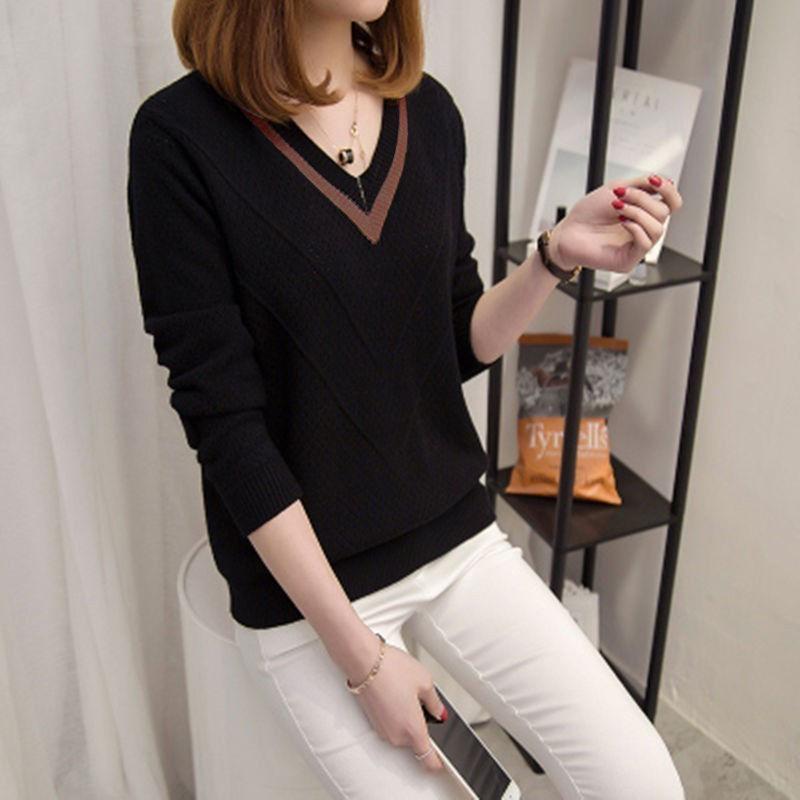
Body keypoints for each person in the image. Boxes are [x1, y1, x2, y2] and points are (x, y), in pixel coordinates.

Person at [126, 1, 686, 797]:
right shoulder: (179, 139)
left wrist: (554, 256)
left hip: (455, 538)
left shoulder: (428, 112)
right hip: (307, 600)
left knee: (645, 784)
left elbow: (454, 341)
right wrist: (365, 664)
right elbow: (226, 431)